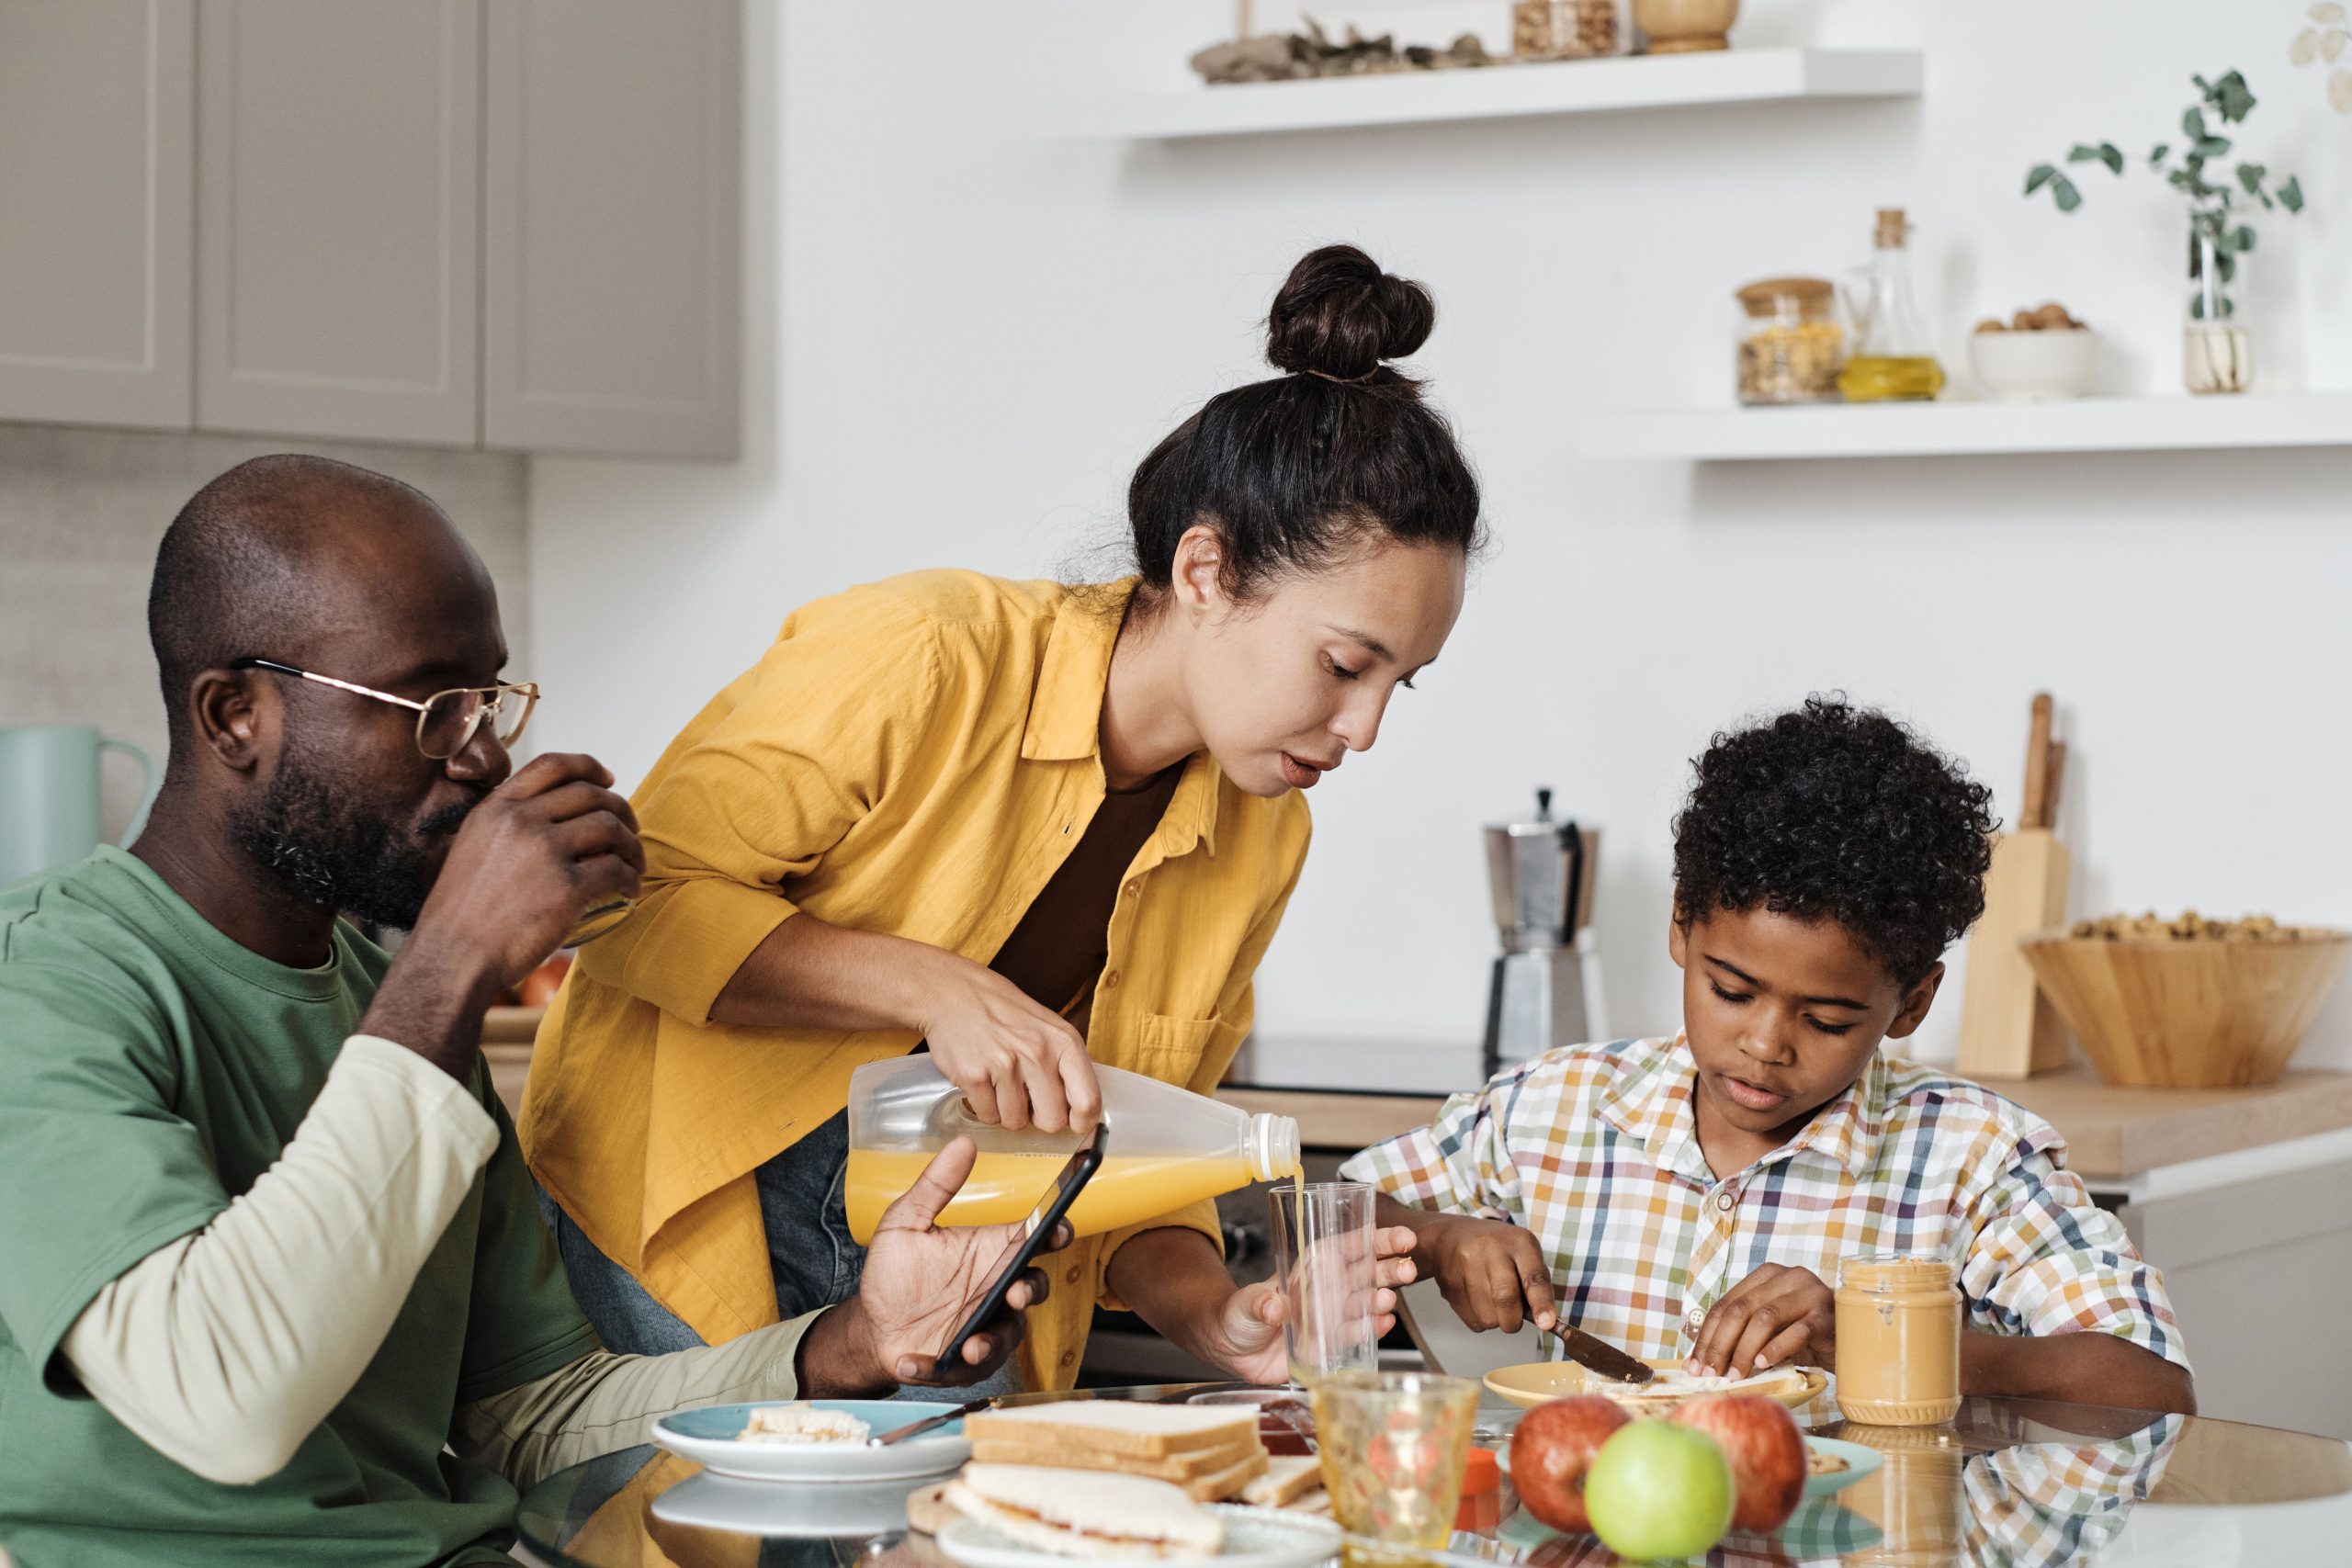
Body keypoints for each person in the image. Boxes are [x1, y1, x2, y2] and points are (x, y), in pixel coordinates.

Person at [0, 457, 1057, 1568]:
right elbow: (224, 1402)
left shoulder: (394, 1013)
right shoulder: (46, 985)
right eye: (429, 707)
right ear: (234, 716)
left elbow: (532, 1416)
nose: (485, 757)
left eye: (490, 699)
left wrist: (849, 1346)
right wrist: (452, 963)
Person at [521, 244, 1476, 1385]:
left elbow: (1137, 1146)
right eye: (1341, 665)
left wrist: (1223, 1318)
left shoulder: (1264, 830)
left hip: (956, 1280)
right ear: (1208, 571)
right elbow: (620, 903)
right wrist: (934, 986)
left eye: (1396, 685)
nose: (1363, 728)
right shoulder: (924, 654)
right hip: (672, 1222)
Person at [1344, 697, 2196, 1415]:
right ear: (1682, 924)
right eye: (1731, 990)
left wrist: (1875, 1338)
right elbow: (1321, 1211)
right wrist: (1434, 1236)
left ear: (1913, 1003)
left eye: (1826, 1020)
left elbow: (2151, 1388)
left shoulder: (1972, 1161)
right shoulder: (1550, 1108)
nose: (1764, 1043)